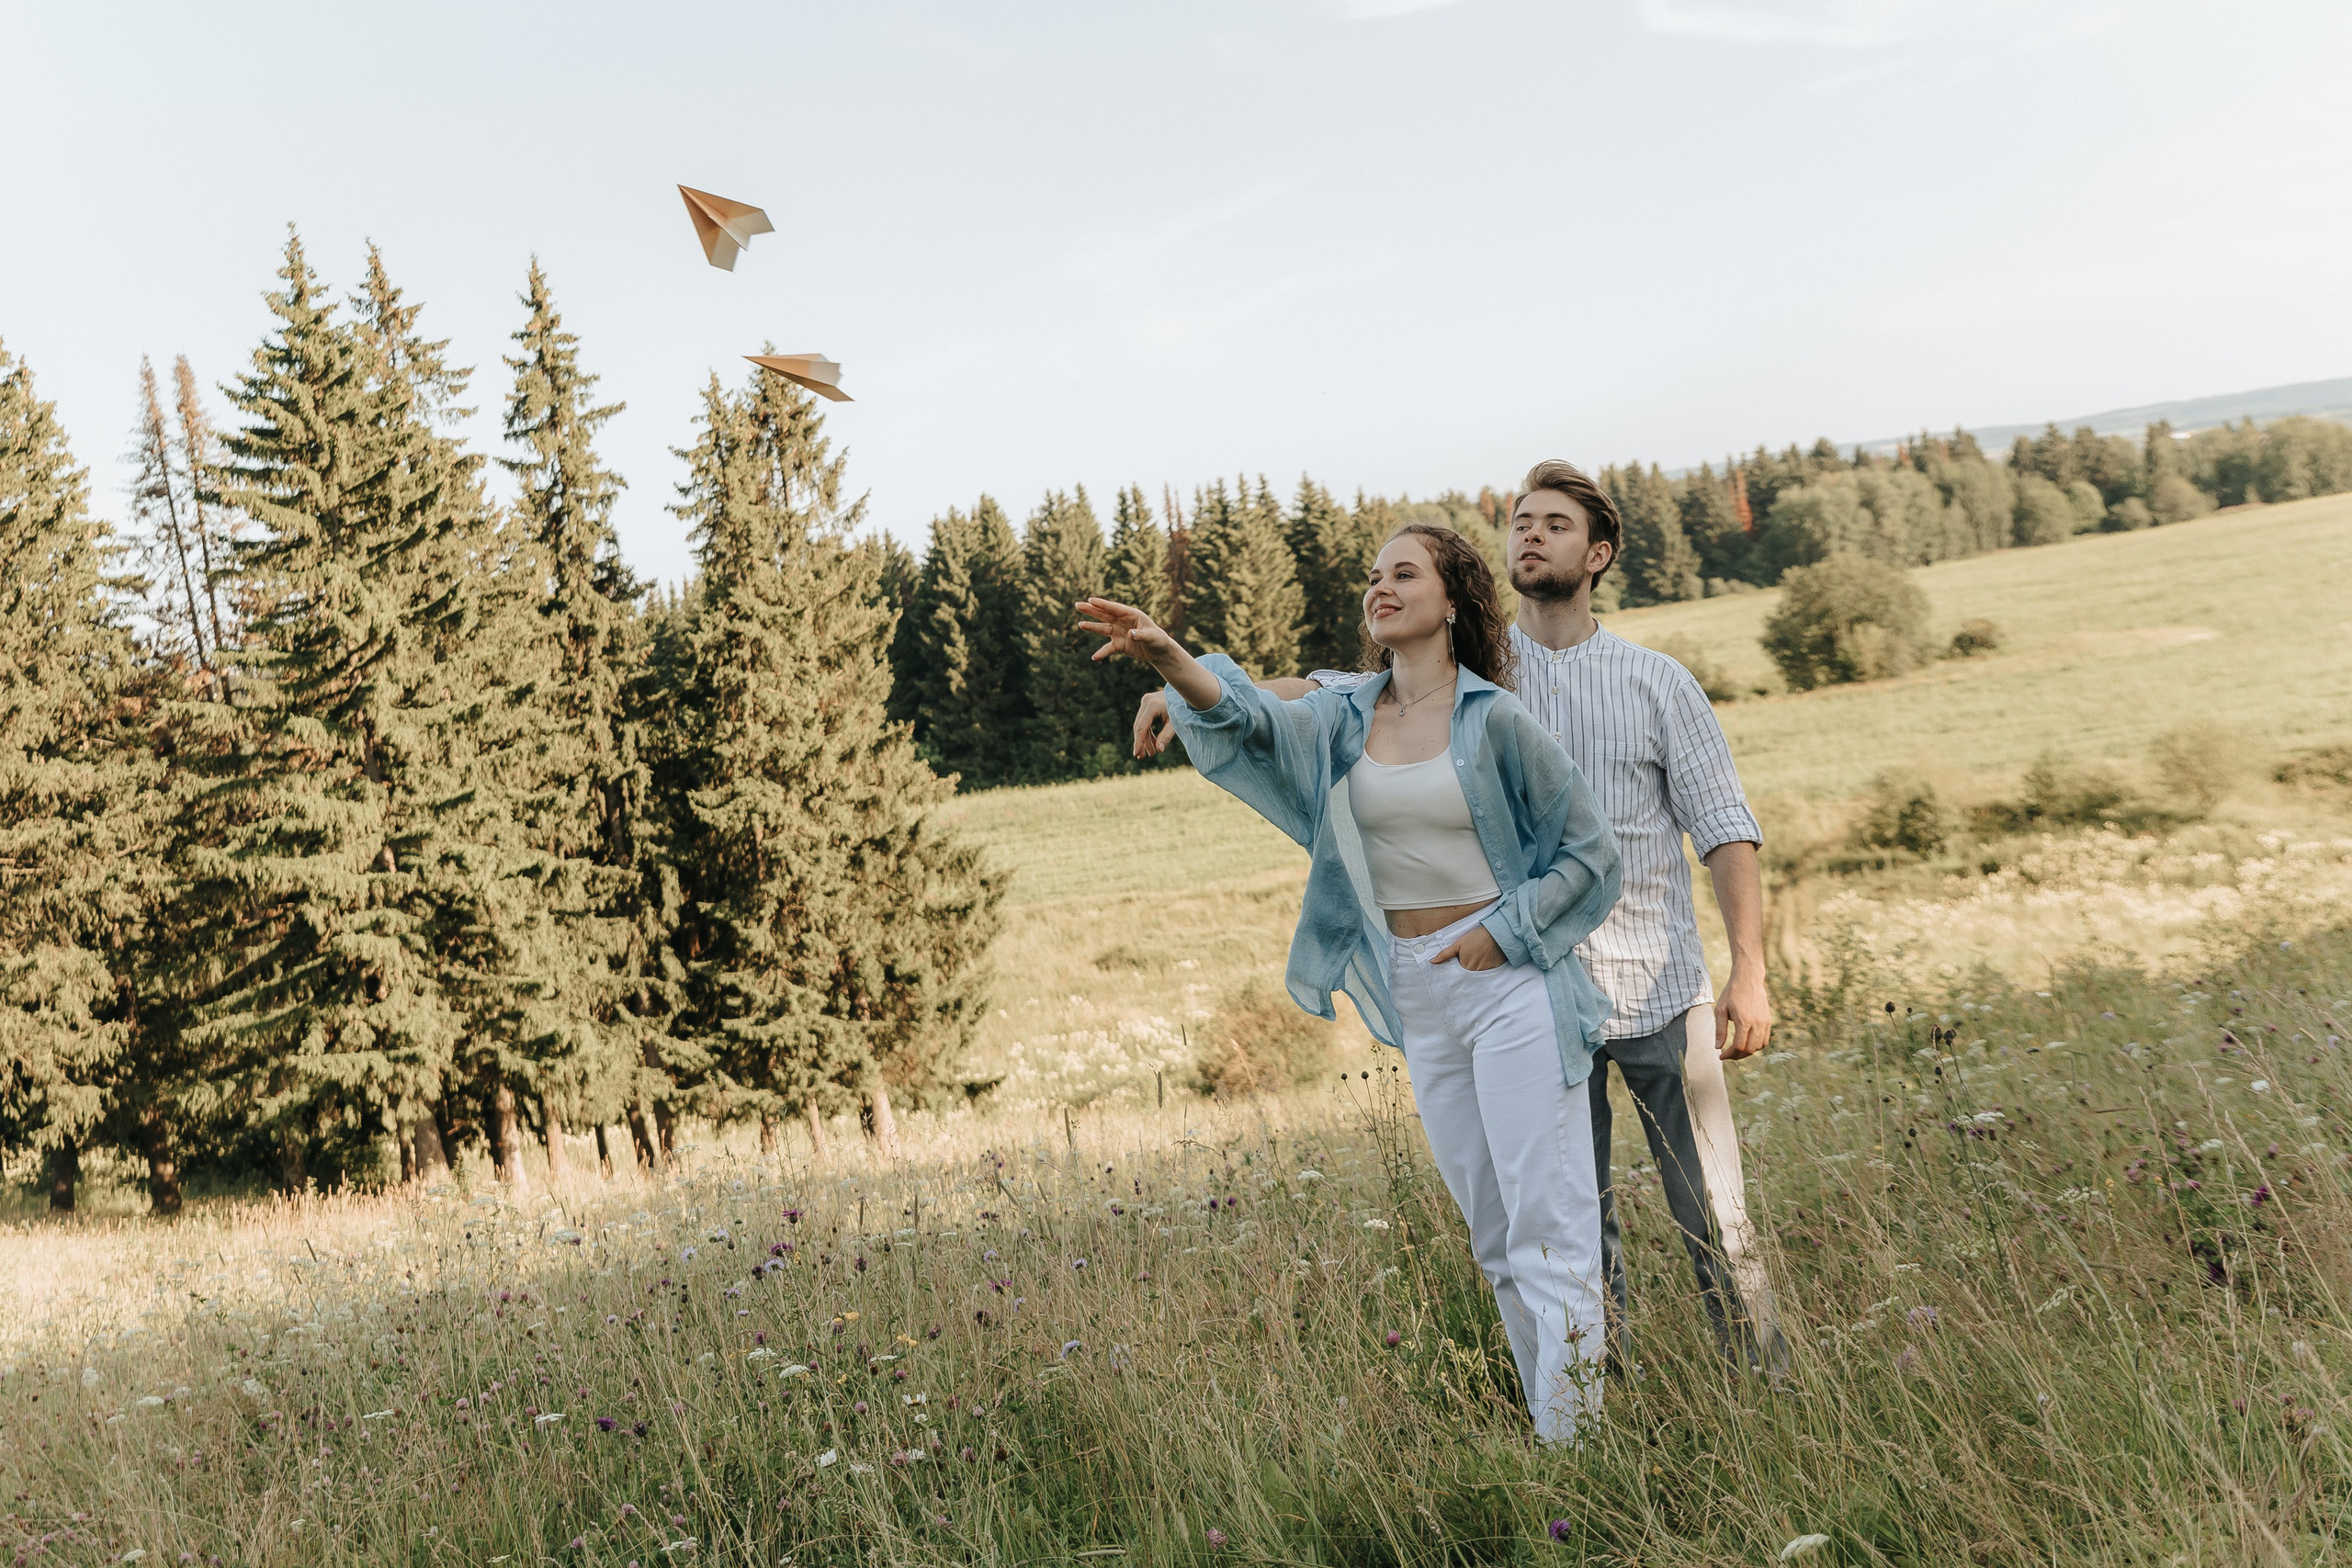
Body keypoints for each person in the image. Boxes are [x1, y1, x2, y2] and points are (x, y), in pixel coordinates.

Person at [1132, 461, 1787, 1371]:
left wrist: (1747, 971)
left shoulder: (1655, 683)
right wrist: (1187, 683)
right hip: (1530, 996)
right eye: (1519, 521)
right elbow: (1316, 694)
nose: (1530, 533)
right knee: (1567, 1229)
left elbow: (1724, 830)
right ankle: (1606, 1410)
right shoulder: (1466, 682)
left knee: (1714, 1209)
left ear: (1597, 555)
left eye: (1554, 523)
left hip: (1654, 990)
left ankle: (1768, 1386)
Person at [1077, 523, 1622, 1443]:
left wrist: (1507, 928)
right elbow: (1250, 718)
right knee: (1494, 1239)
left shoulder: (1494, 720)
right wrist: (1170, 656)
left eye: (1403, 574)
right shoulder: (1346, 714)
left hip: (1509, 988)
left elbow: (1590, 855)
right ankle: (1554, 1433)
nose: (1380, 587)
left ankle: (1579, 1454)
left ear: (1451, 600)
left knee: (1545, 1231)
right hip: (1420, 993)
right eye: (1373, 576)